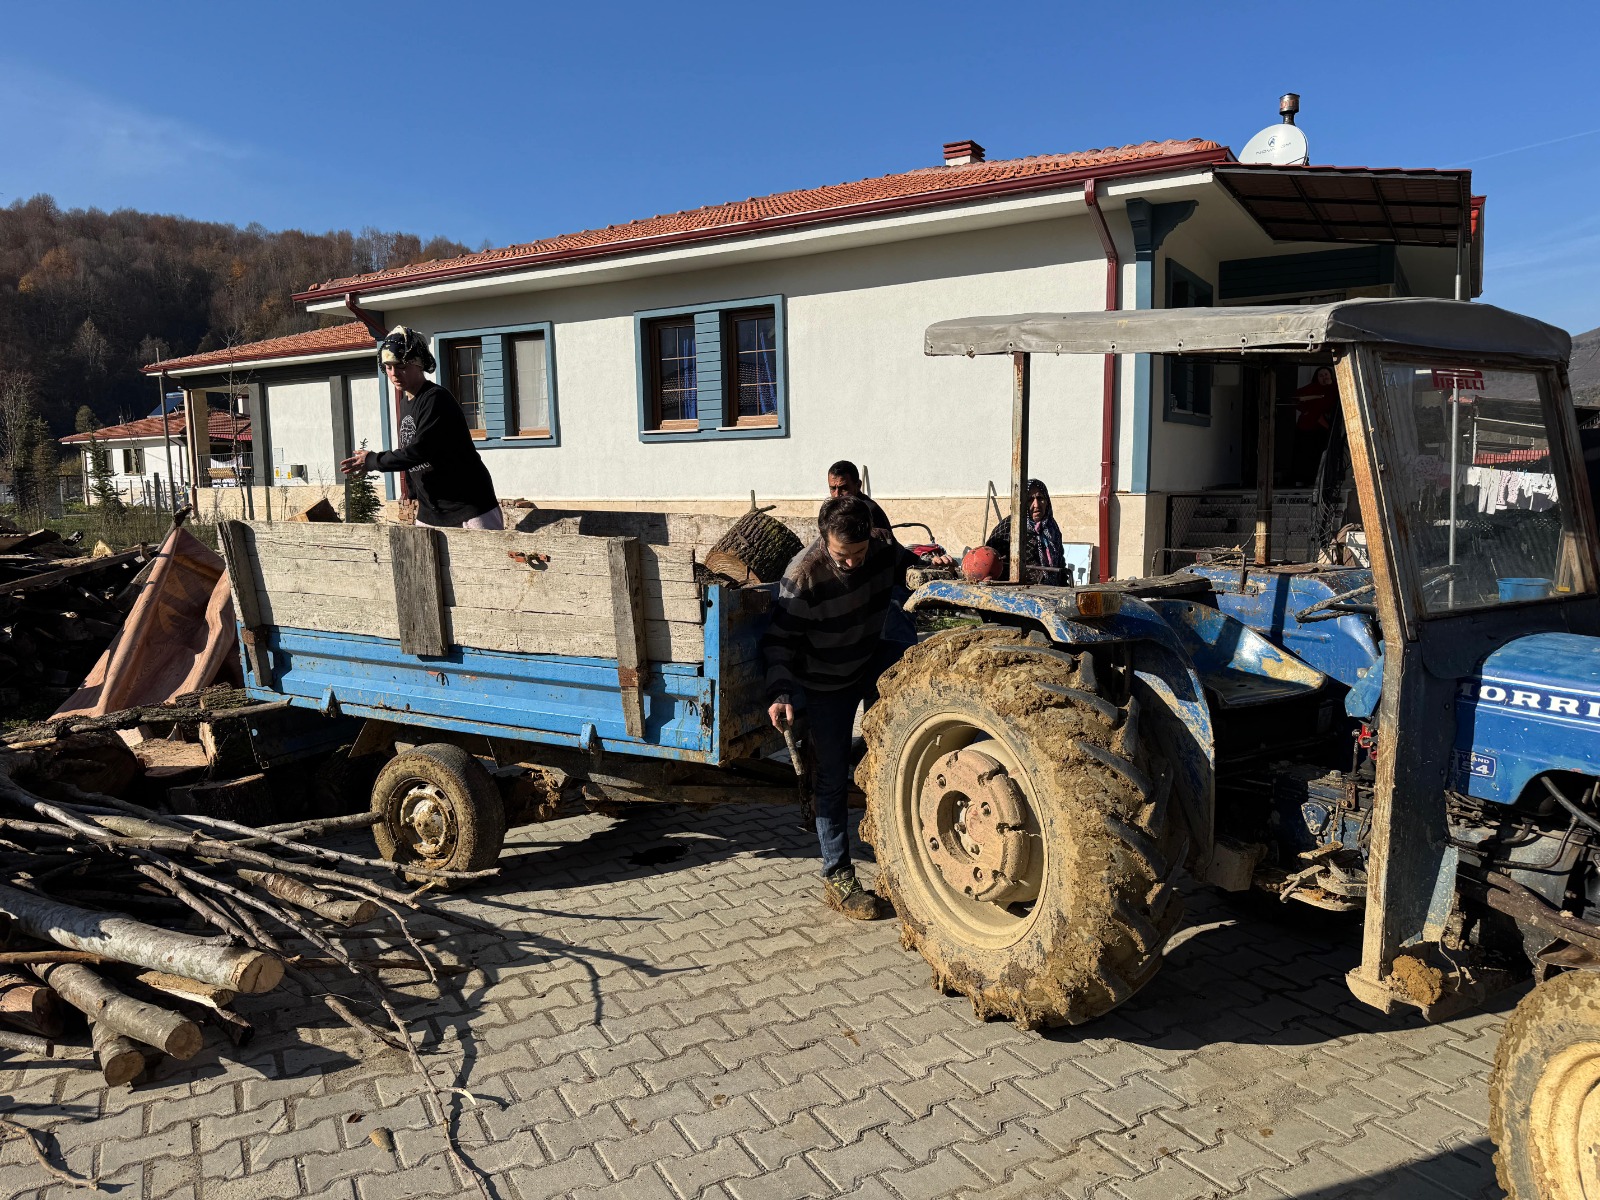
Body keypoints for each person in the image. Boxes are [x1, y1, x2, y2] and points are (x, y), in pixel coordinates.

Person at [763, 495, 922, 920]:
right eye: (841, 555)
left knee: (899, 753)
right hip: (824, 683)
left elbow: (909, 569)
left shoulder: (881, 549)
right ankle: (837, 874)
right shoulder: (803, 576)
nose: (852, 563)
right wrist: (780, 691)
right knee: (831, 779)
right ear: (823, 540)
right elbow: (779, 642)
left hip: (868, 661)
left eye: (859, 553)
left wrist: (932, 568)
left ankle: (903, 855)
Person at [339, 326, 504, 530]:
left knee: (484, 562)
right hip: (432, 511)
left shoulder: (435, 399)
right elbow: (410, 451)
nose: (394, 374)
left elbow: (420, 450)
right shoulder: (407, 402)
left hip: (469, 507)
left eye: (401, 366)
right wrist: (412, 491)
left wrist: (374, 460)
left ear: (418, 364)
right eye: (388, 367)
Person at [985, 479, 1064, 577]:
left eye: (1040, 498)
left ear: (1047, 501)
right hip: (1019, 590)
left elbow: (1061, 561)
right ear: (1021, 503)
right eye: (1030, 500)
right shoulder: (1009, 527)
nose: (1036, 505)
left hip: (1052, 590)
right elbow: (990, 562)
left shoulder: (1052, 527)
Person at [826, 460, 892, 535]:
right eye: (833, 488)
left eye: (844, 488)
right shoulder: (837, 510)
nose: (837, 495)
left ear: (858, 485)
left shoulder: (866, 511)